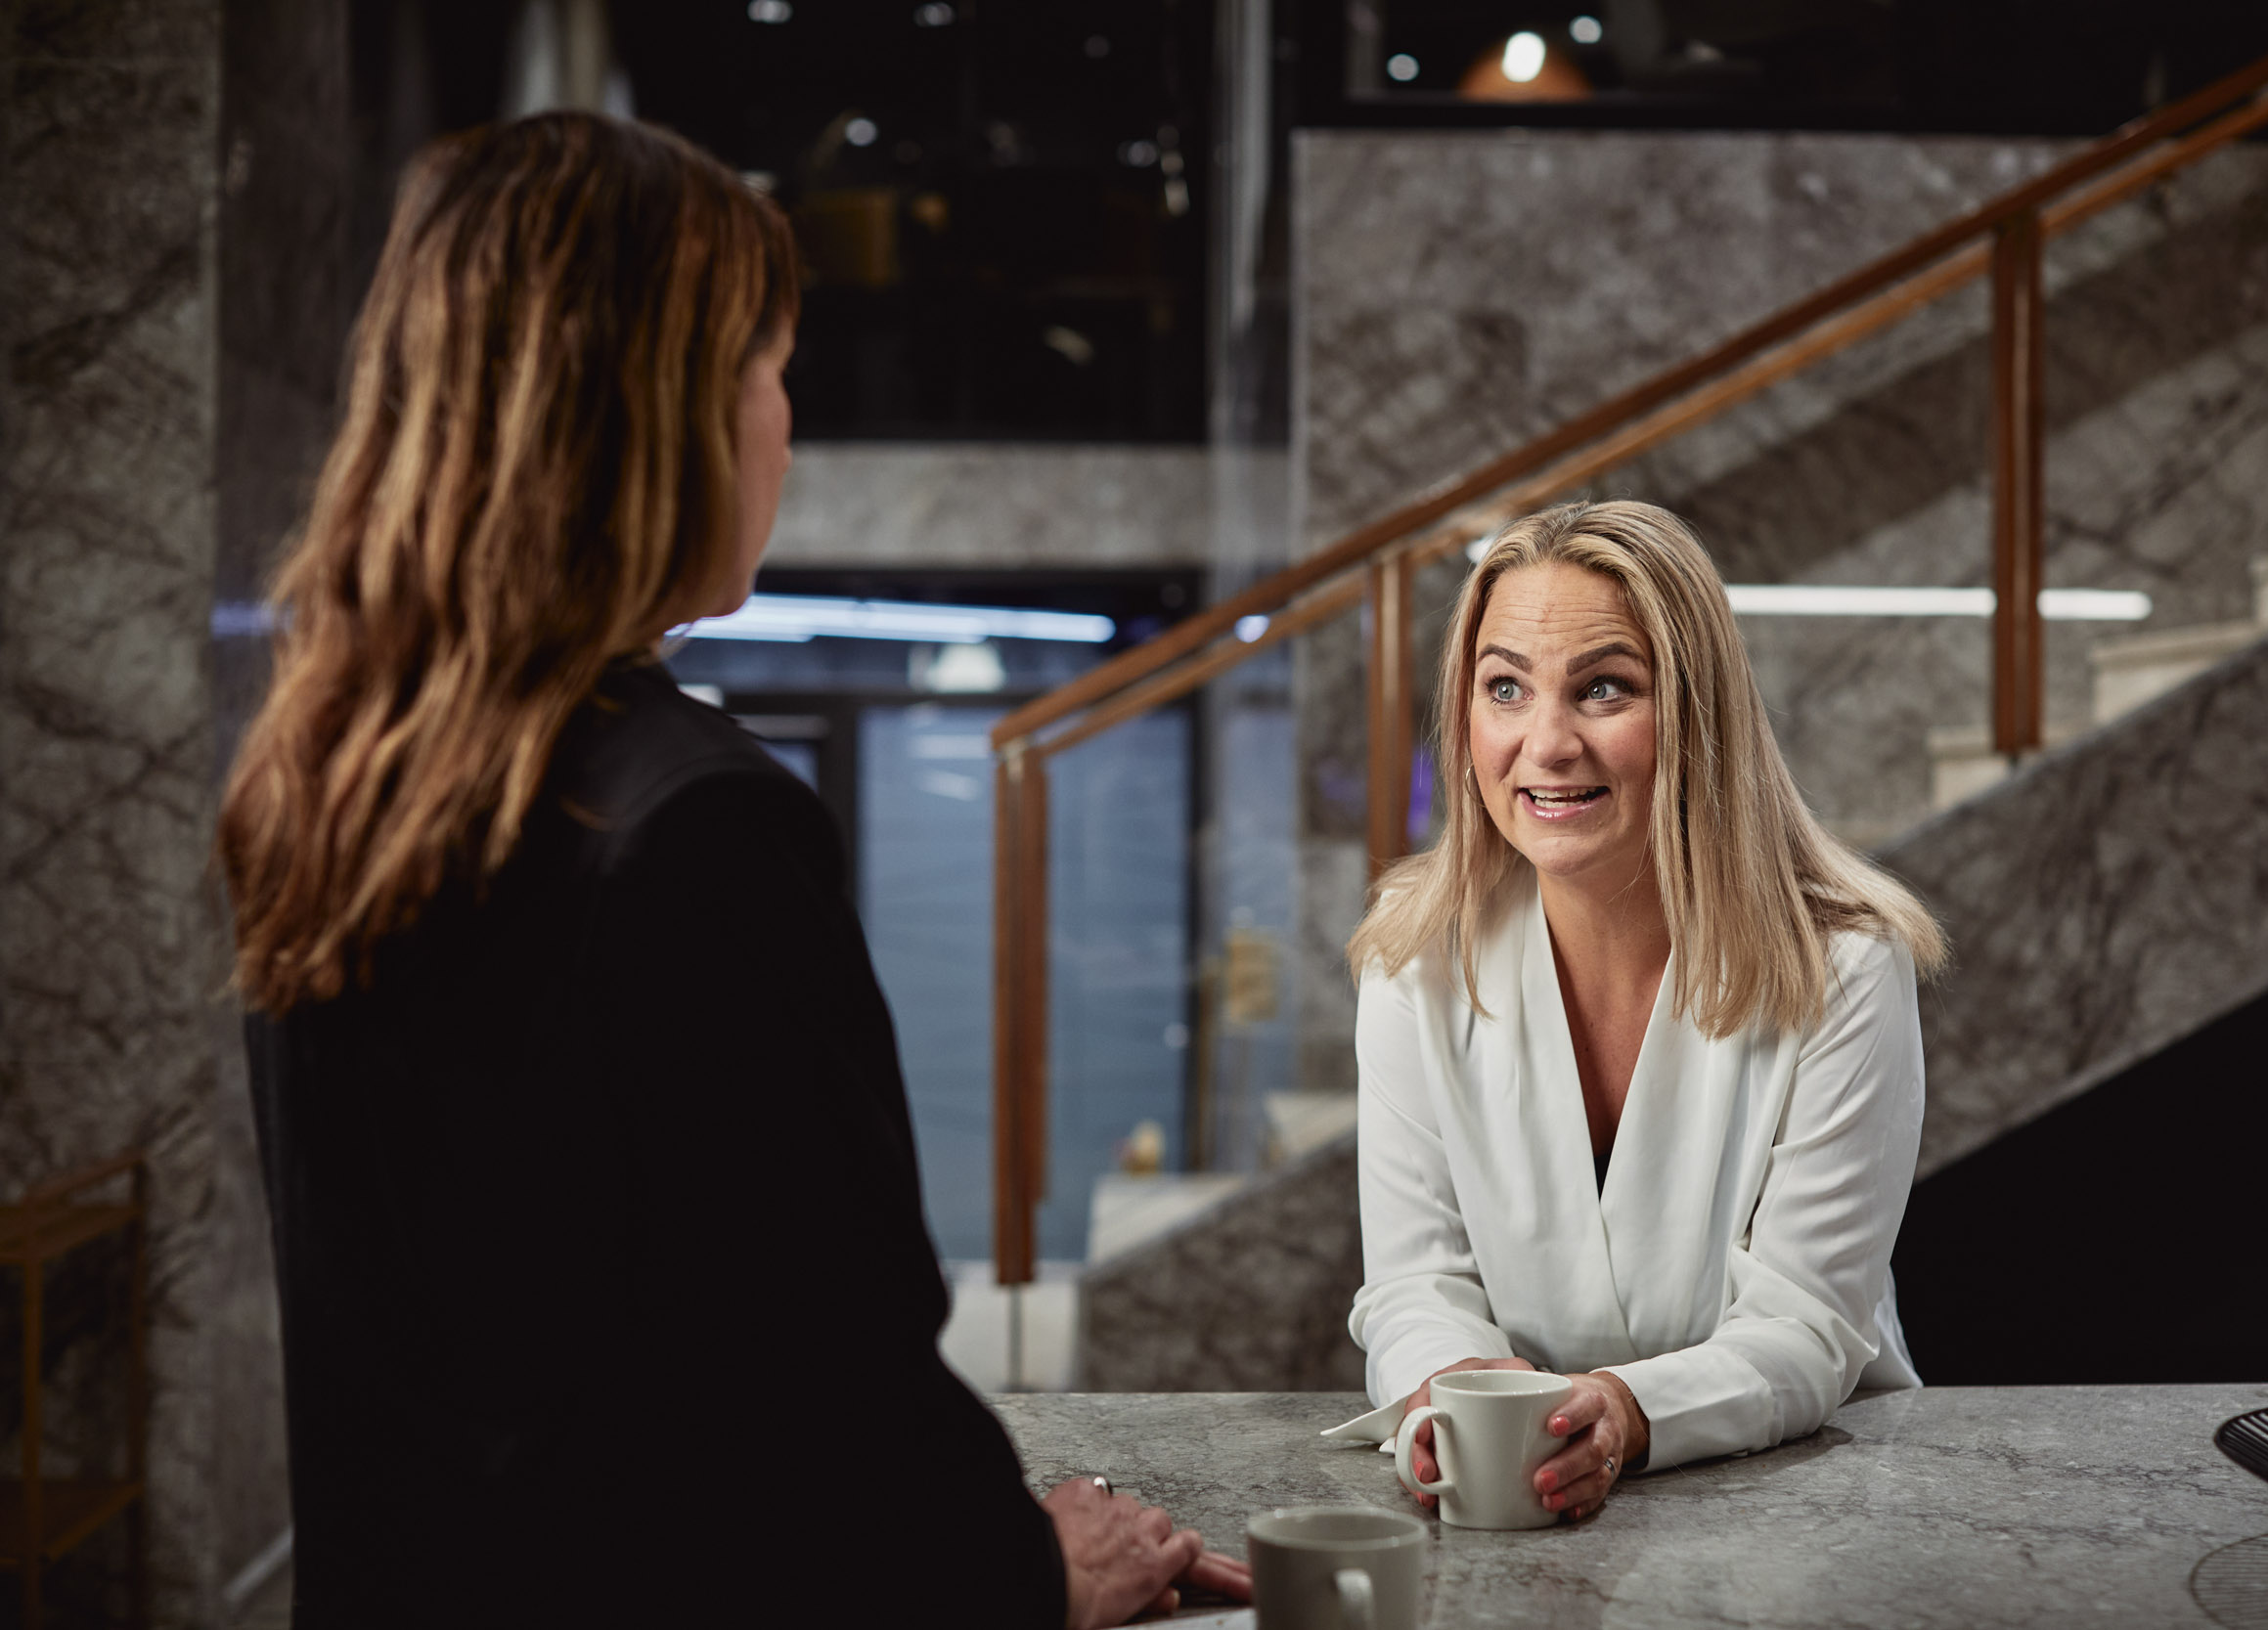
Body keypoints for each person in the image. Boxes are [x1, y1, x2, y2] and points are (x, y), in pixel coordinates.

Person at [218, 112, 1245, 1628]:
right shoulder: (694, 821)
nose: (786, 424)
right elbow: (822, 1406)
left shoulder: (333, 787)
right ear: (656, 409)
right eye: (770, 368)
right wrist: (1036, 1564)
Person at [1345, 501, 1946, 1521]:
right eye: (1504, 688)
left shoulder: (1844, 964)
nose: (1545, 742)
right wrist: (1451, 1399)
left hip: (1800, 1503)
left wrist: (1625, 1411)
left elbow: (1807, 1322)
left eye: (1604, 688)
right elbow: (1412, 1283)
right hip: (1517, 1496)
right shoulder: (1414, 953)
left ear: (1697, 712)